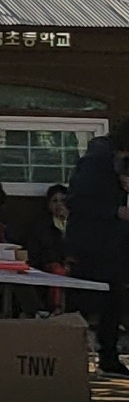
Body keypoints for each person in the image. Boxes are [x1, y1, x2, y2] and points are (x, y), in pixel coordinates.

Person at [67, 127, 125, 376]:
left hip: (117, 243)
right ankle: (71, 354)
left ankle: (108, 354)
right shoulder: (95, 163)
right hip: (90, 243)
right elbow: (77, 201)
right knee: (85, 299)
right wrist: (114, 211)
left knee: (114, 300)